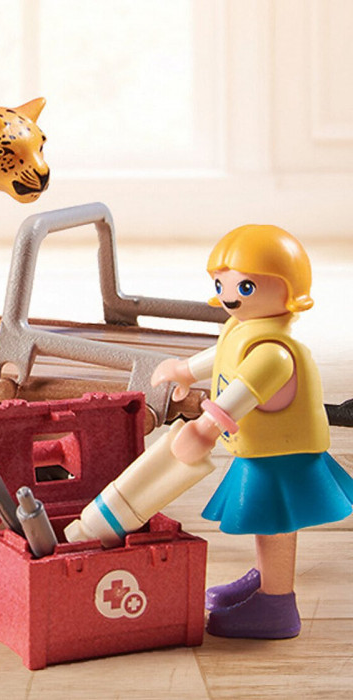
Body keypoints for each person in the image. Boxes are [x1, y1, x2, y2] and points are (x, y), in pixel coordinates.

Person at [152, 224, 353, 639]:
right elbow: (223, 354)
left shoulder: (274, 354)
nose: (229, 296)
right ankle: (265, 582)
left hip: (282, 458)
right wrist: (185, 370)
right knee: (268, 522)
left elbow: (239, 396)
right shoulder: (243, 328)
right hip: (264, 452)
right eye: (221, 284)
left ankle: (277, 604)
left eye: (245, 286)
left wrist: (204, 430)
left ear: (288, 291)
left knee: (275, 523)